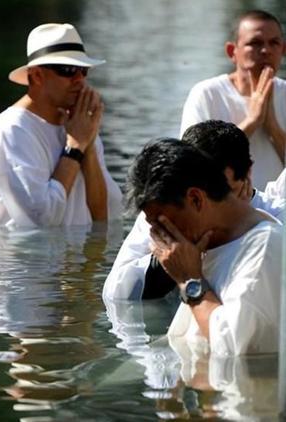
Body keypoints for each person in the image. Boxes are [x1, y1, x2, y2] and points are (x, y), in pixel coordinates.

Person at [125, 139, 281, 356]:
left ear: (196, 199)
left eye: (163, 224)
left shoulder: (264, 247)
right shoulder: (210, 245)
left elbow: (231, 348)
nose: (159, 237)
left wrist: (190, 281)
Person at [103, 120, 285, 300]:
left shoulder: (275, 222)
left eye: (221, 188)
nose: (210, 201)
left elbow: (232, 327)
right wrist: (168, 261)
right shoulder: (166, 213)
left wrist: (191, 278)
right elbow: (115, 293)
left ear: (246, 174)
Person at [0, 23, 122, 228]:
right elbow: (41, 219)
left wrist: (87, 147)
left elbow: (106, 215)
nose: (79, 80)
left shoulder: (80, 125)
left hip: (69, 257)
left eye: (83, 70)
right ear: (36, 76)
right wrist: (75, 148)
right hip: (19, 259)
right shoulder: (11, 131)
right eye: (68, 70)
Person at [180, 9, 286, 189]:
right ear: (232, 51)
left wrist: (273, 127)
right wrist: (252, 121)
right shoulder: (207, 94)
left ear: (283, 50)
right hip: (226, 210)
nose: (266, 50)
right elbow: (192, 165)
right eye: (255, 43)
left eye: (274, 43)